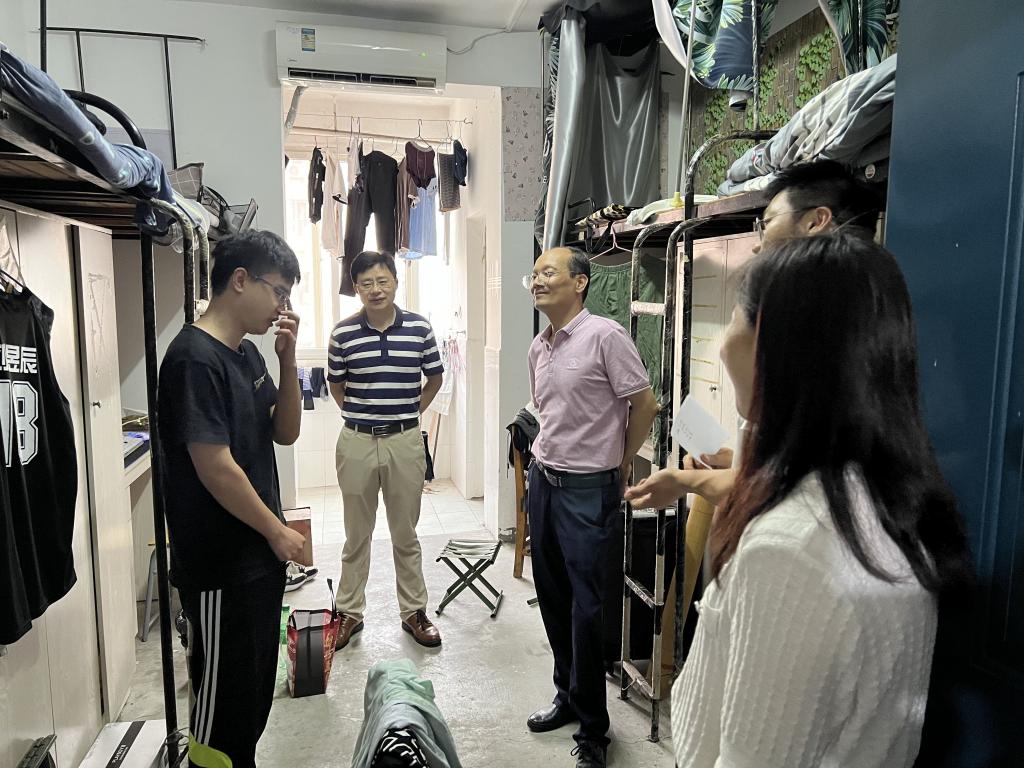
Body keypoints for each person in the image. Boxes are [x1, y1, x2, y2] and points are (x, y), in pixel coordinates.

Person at [628, 234, 973, 767]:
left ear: (771, 344)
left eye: (735, 316)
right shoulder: (881, 494)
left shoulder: (789, 553)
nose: (722, 342)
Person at [641, 159, 886, 504]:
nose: (757, 244)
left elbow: (793, 486)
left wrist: (691, 481)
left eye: (766, 223)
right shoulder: (862, 302)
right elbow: (787, 466)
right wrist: (735, 462)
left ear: (816, 221)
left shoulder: (834, 330)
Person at [157, 230, 305, 768]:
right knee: (218, 720)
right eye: (278, 291)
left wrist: (287, 361)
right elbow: (215, 467)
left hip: (255, 563)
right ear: (240, 280)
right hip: (221, 567)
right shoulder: (194, 358)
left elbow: (285, 432)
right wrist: (276, 530)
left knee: (247, 705)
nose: (282, 306)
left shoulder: (246, 354)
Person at [524, 246, 660, 768]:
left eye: (549, 272)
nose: (537, 280)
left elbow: (644, 403)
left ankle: (594, 731)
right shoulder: (539, 347)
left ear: (580, 282)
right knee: (552, 595)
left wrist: (621, 462)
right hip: (544, 479)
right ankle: (568, 695)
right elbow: (548, 413)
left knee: (587, 608)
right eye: (534, 274)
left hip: (588, 489)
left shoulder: (606, 336)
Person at [327, 250, 444, 650]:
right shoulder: (343, 334)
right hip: (357, 441)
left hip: (404, 441)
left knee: (405, 534)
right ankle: (349, 612)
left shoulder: (419, 329)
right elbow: (337, 387)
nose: (375, 289)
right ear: (356, 288)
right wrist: (365, 416)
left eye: (382, 281)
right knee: (356, 534)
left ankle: (414, 611)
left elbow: (434, 378)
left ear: (395, 281)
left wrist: (409, 412)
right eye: (366, 283)